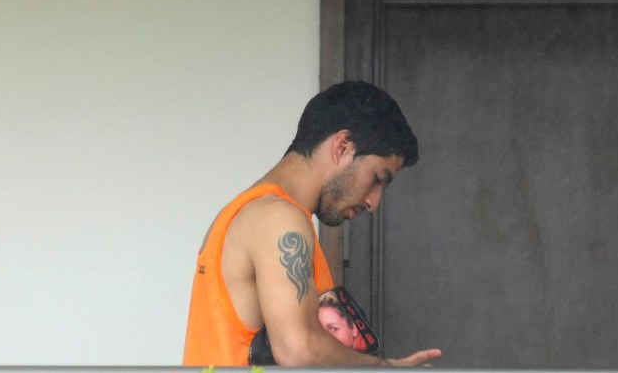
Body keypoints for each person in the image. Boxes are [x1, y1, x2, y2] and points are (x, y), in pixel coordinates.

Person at [182, 81, 442, 367]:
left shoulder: (250, 213)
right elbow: (298, 349)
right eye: (377, 179)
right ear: (343, 147)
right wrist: (384, 368)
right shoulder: (278, 219)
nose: (374, 202)